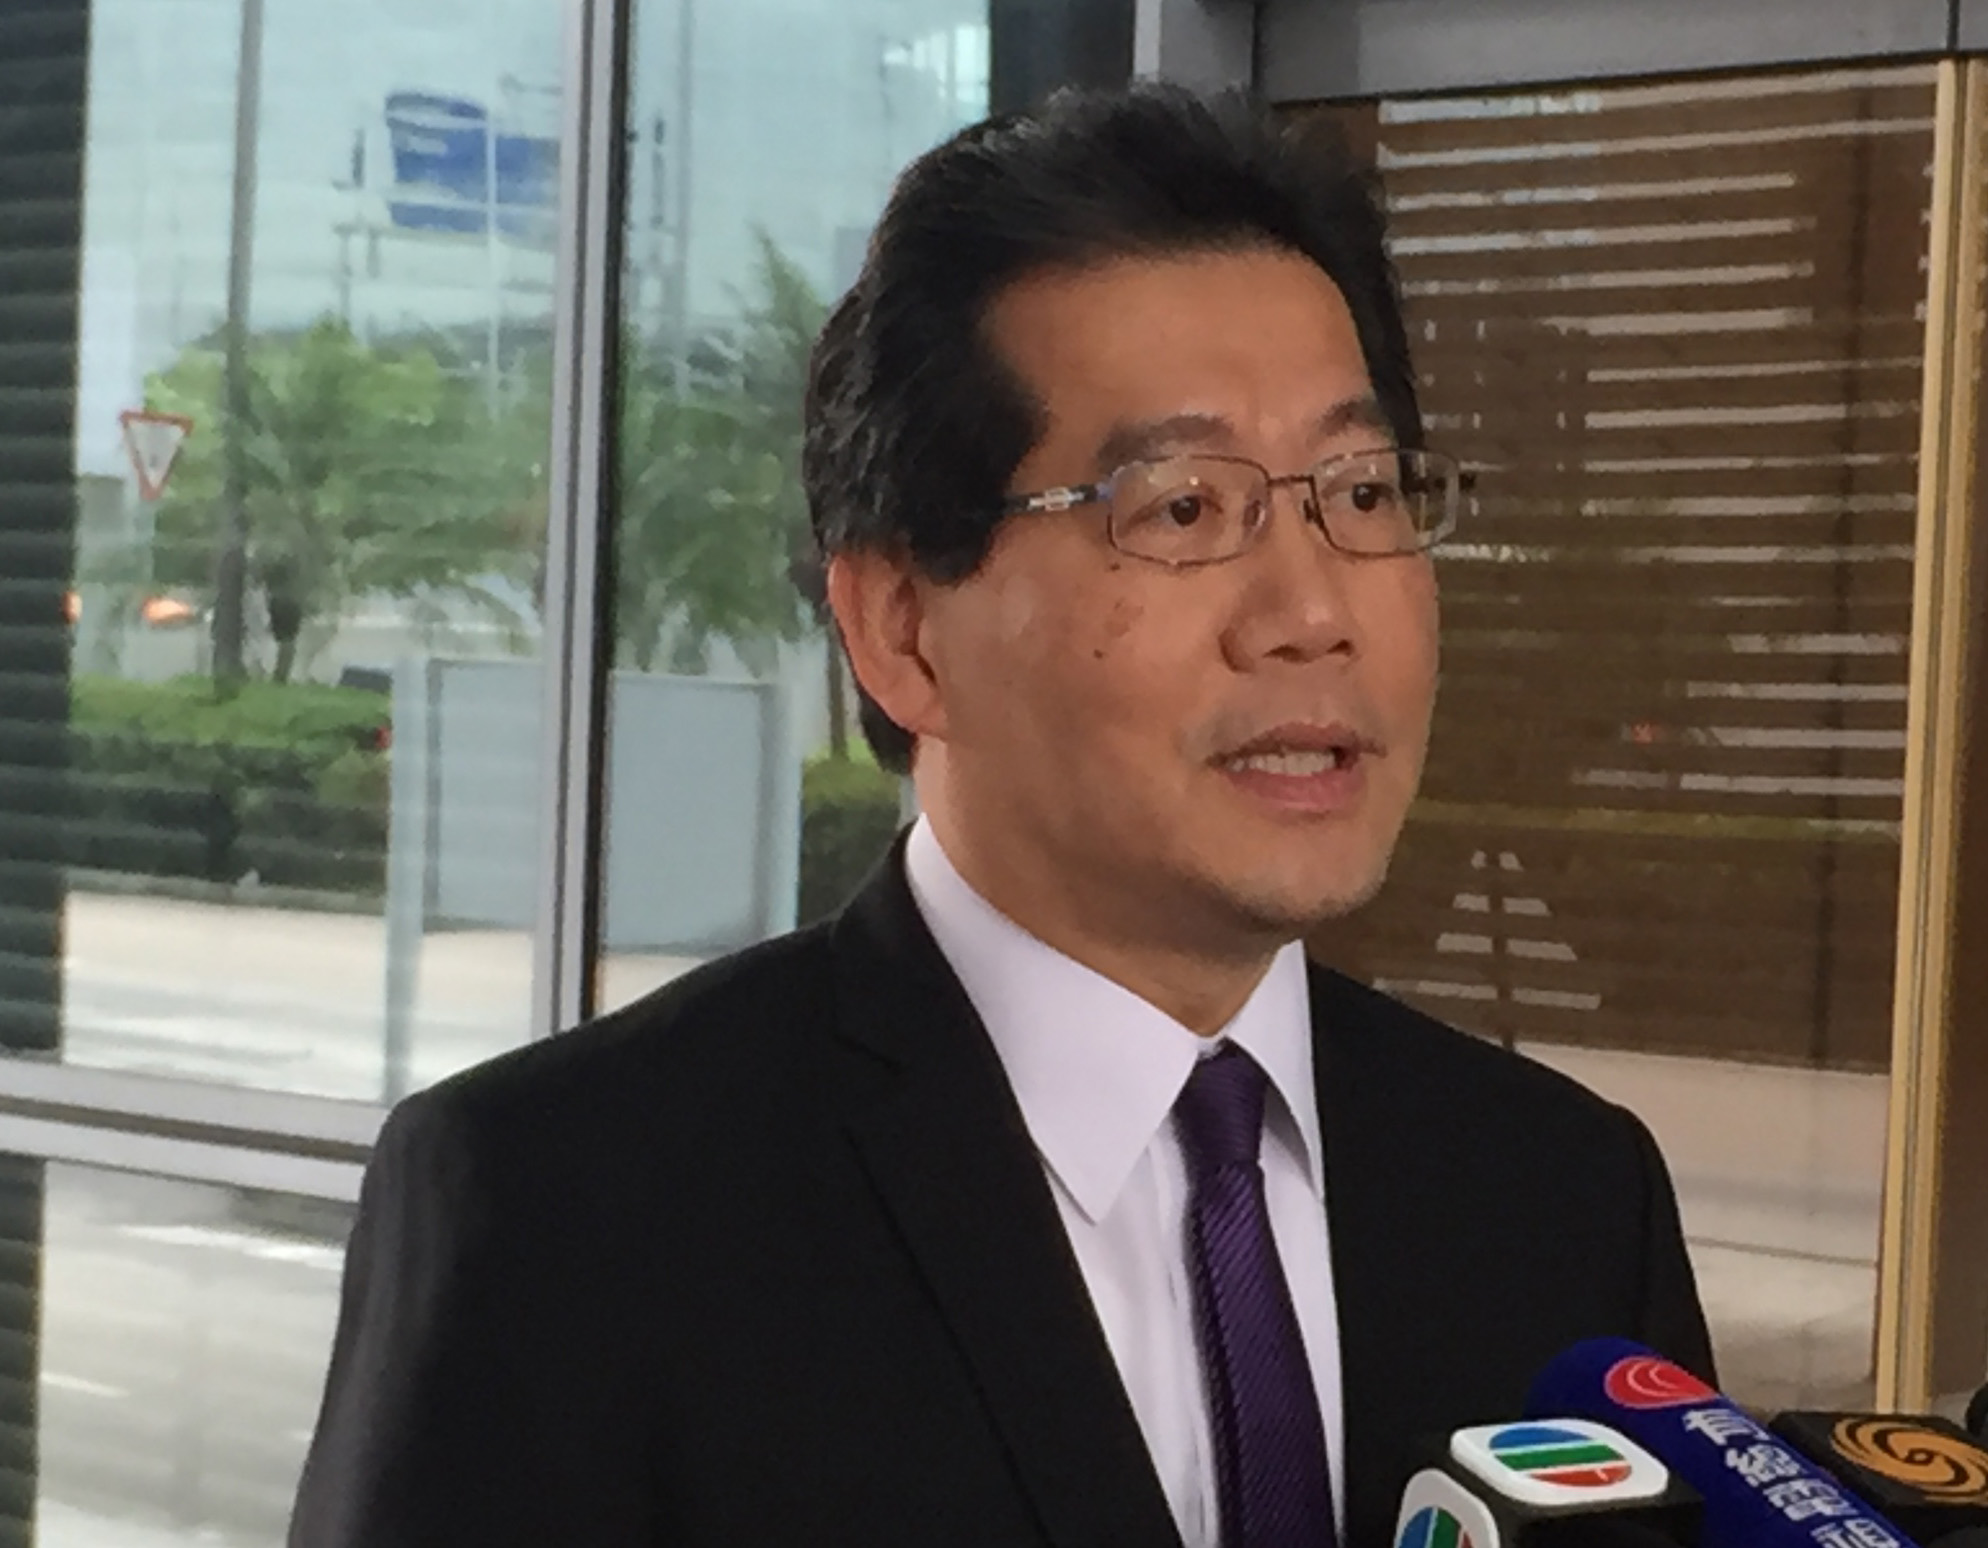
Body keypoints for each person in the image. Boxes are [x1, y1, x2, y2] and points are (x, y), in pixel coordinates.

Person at [288, 84, 1713, 1548]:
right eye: (1182, 508)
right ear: (902, 628)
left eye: (1360, 494)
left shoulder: (1559, 1199)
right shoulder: (567, 1212)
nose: (1312, 611)